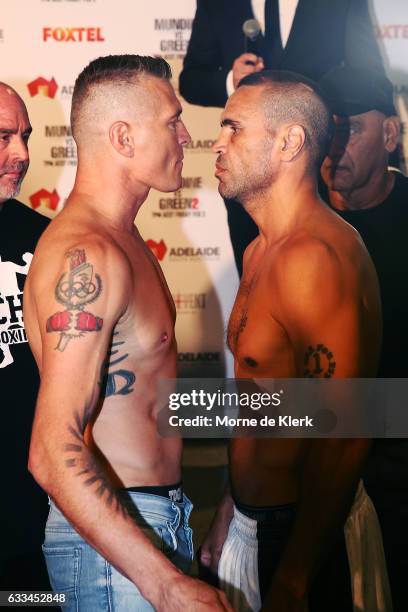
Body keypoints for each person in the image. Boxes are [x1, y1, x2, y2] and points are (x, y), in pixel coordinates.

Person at [24, 55, 232, 611]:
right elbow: (50, 449)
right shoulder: (87, 255)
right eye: (172, 121)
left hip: (145, 527)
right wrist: (162, 582)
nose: (187, 136)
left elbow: (147, 401)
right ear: (122, 136)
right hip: (114, 550)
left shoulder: (122, 240)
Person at [200, 70, 391, 611]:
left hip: (307, 534)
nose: (217, 142)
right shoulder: (261, 251)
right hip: (253, 523)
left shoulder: (314, 257)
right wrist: (229, 508)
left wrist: (297, 575)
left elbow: (344, 433)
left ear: (289, 142)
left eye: (233, 128)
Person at [179, 0, 385, 277]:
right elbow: (190, 80)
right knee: (254, 278)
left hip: (322, 167)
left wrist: (387, 156)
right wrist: (232, 80)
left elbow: (368, 78)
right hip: (247, 171)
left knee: (328, 275)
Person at [320, 64, 408, 612]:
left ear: (391, 135)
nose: (335, 146)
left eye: (350, 128)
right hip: (321, 459)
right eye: (326, 131)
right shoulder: (301, 222)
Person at [0, 83, 51, 590]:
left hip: (38, 525)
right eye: (3, 137)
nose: (22, 155)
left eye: (26, 136)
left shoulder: (47, 239)